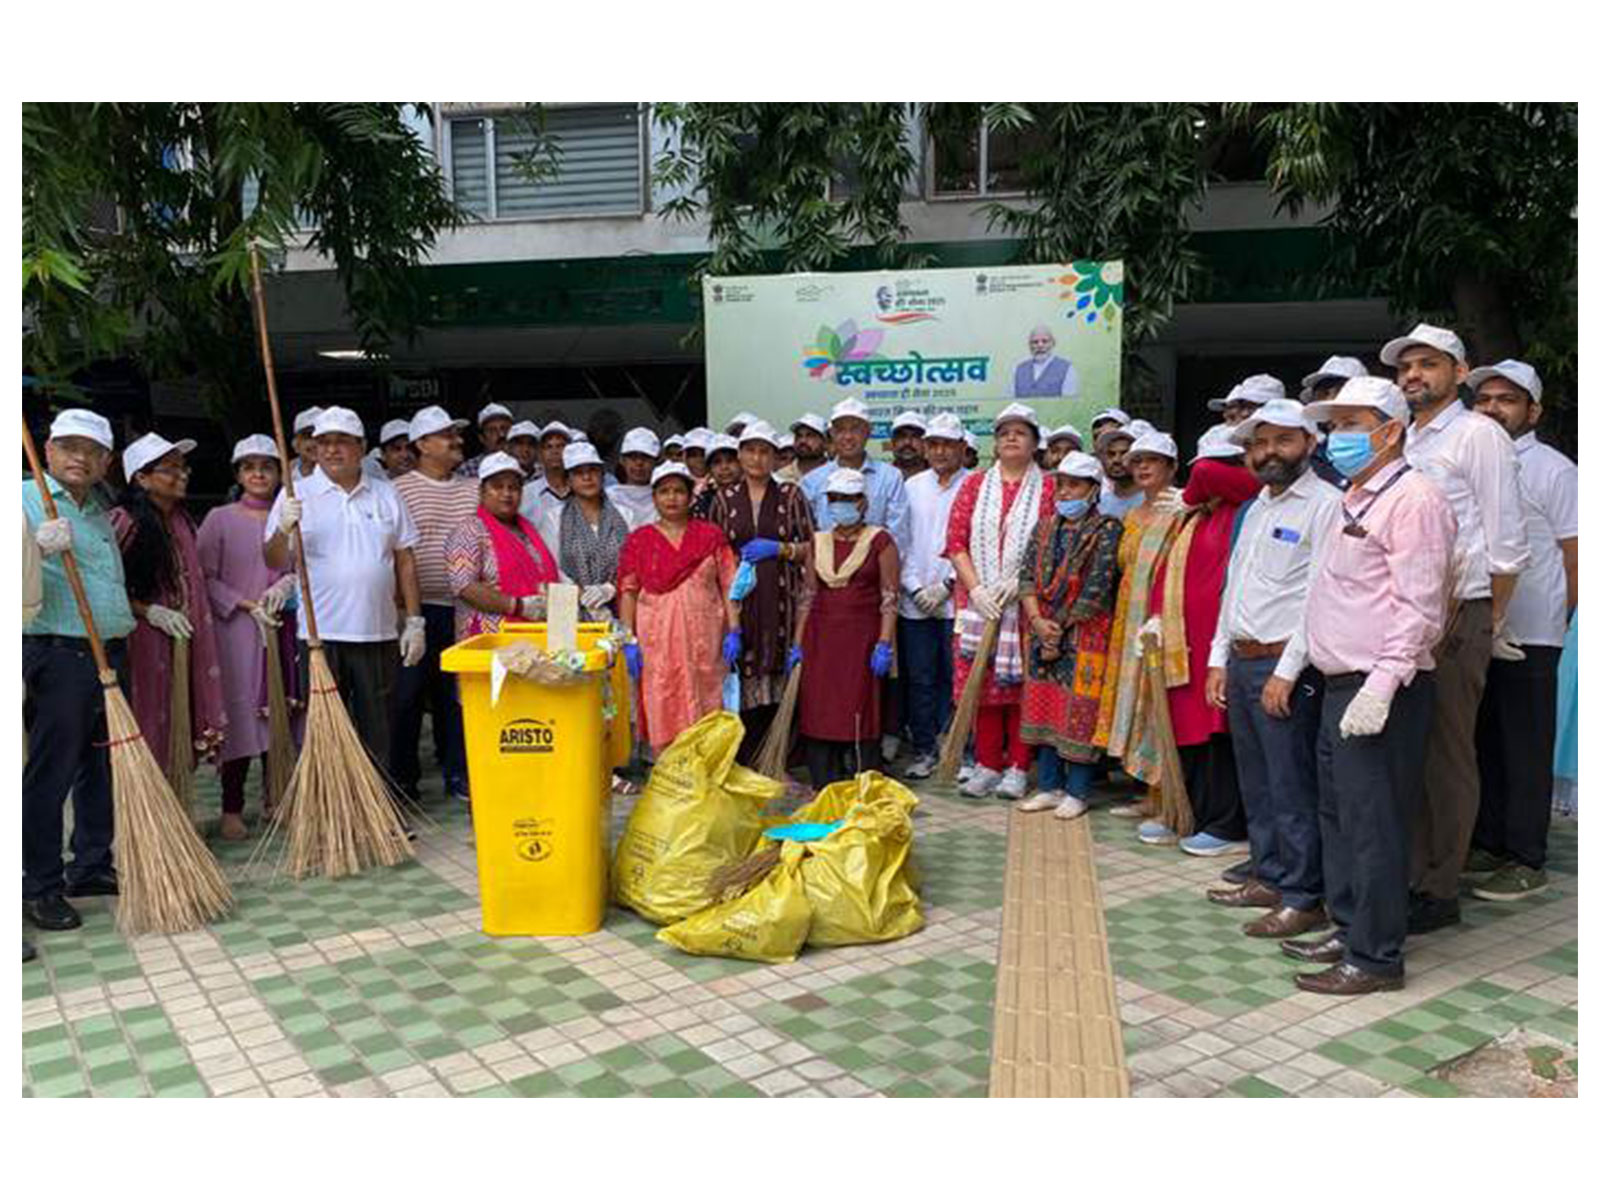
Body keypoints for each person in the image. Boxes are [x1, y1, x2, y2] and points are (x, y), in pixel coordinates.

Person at [1286, 377, 1455, 995]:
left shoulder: (1415, 499)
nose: (1338, 438)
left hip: (1381, 687)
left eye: (1353, 424)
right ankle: (1351, 924)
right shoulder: (1349, 498)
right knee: (1340, 816)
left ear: (1390, 430)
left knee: (1375, 823)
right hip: (1335, 684)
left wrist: (1382, 685)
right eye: (1333, 427)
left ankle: (1377, 957)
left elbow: (1420, 605)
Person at [1384, 323, 1529, 934]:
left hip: (1456, 613)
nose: (1414, 374)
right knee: (1405, 752)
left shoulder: (1478, 435)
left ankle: (1440, 889)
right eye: (1405, 366)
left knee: (1445, 754)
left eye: (1428, 364)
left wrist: (1484, 620)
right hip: (1399, 613)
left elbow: (1507, 543)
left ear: (1460, 372)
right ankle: (1410, 873)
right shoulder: (1400, 438)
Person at [1204, 400, 1344, 936]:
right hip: (1242, 660)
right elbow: (1233, 589)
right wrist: (1219, 658)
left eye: (1282, 441)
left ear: (1309, 444)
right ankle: (1268, 873)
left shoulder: (1327, 505)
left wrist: (1288, 669)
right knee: (1257, 782)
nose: (1268, 453)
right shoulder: (1255, 508)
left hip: (1288, 665)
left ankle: (1304, 894)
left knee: (1291, 785)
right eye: (1259, 444)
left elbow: (1319, 597)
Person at [1465, 360, 1576, 901]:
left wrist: (1558, 620)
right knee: (1482, 739)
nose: (1492, 408)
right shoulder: (1469, 459)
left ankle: (1526, 856)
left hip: (1531, 631)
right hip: (1476, 627)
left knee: (1525, 745)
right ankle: (1488, 841)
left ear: (1533, 411)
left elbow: (1576, 555)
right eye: (1484, 399)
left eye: (1507, 400)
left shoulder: (1554, 470)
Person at [22, 410, 137, 933]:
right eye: (67, 446)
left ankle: (90, 865)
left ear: (105, 462)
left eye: (90, 450)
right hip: (59, 653)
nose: (78, 457)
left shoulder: (96, 510)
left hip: (108, 652)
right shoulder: (23, 500)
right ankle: (38, 885)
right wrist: (29, 546)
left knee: (101, 766)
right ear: (47, 450)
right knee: (52, 773)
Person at [265, 407, 424, 778]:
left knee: (379, 728)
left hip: (378, 631)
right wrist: (283, 528)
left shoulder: (386, 494)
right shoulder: (295, 494)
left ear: (362, 448)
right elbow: (273, 559)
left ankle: (379, 811)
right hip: (320, 635)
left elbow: (405, 561)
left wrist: (415, 621)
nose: (332, 450)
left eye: (342, 442)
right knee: (325, 730)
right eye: (324, 443)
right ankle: (331, 810)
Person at [1135, 429, 1261, 852]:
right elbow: (1167, 570)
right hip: (1181, 647)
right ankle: (1184, 814)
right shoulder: (1195, 515)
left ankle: (1227, 825)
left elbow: (1208, 471)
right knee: (1185, 735)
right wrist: (1154, 617)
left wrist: (1192, 490)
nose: (1204, 477)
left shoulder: (1244, 504)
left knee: (1217, 739)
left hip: (1217, 649)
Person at [945, 403, 1052, 799]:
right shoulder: (974, 485)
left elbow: (1051, 545)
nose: (1011, 437)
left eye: (1020, 432)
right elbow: (955, 543)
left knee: (1021, 687)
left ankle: (1019, 767)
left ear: (1034, 444)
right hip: (980, 603)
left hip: (1027, 605)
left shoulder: (1050, 488)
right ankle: (987, 763)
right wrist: (976, 589)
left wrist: (1019, 584)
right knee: (983, 685)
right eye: (1004, 432)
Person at [196, 435, 301, 839]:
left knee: (280, 711)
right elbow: (204, 578)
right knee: (241, 719)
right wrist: (244, 605)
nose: (258, 473)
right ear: (238, 474)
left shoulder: (289, 516)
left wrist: (286, 586)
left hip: (280, 627)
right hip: (236, 633)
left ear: (278, 473)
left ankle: (275, 798)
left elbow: (302, 567)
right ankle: (231, 807)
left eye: (267, 466)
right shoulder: (220, 518)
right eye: (249, 466)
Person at [109, 432, 228, 783]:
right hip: (144, 642)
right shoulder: (122, 522)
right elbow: (106, 589)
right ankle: (145, 809)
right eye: (170, 469)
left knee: (180, 718)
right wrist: (150, 611)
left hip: (184, 640)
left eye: (183, 467)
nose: (182, 475)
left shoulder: (181, 520)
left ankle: (176, 807)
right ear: (141, 478)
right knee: (149, 717)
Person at [1015, 452, 1123, 819]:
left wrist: (1057, 628)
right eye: (1060, 485)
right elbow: (1026, 575)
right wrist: (1038, 621)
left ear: (1093, 490)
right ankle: (1048, 785)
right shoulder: (1043, 527)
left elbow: (1098, 585)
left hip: (1084, 632)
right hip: (1041, 628)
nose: (1064, 493)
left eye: (1074, 485)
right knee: (1045, 706)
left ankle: (1077, 790)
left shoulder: (1107, 528)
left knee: (1078, 711)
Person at [707, 419, 816, 762]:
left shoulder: (791, 494)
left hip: (783, 600)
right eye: (750, 451)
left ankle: (778, 761)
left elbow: (812, 548)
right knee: (743, 681)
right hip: (739, 604)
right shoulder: (723, 499)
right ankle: (747, 762)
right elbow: (713, 555)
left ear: (775, 457)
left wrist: (780, 549)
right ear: (739, 455)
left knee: (781, 682)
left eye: (764, 452)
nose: (756, 458)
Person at [618, 463, 740, 754]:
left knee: (707, 697)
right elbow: (628, 591)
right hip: (658, 641)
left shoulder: (710, 536)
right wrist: (628, 639)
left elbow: (729, 585)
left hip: (706, 639)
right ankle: (669, 777)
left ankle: (707, 774)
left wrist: (735, 629)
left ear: (690, 497)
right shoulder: (640, 540)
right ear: (655, 497)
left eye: (678, 491)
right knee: (664, 697)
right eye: (664, 492)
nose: (671, 498)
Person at [391, 406, 479, 805]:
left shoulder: (472, 488)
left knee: (456, 696)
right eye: (446, 435)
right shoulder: (399, 489)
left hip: (462, 607)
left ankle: (458, 774)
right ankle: (404, 779)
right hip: (414, 609)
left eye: (457, 434)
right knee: (407, 695)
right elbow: (393, 551)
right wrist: (403, 611)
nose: (457, 441)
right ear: (423, 445)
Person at [793, 467, 900, 786]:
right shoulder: (818, 541)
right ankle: (823, 780)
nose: (841, 505)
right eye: (835, 499)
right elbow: (808, 594)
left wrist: (884, 643)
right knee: (819, 706)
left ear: (863, 503)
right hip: (820, 637)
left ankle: (862, 779)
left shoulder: (880, 540)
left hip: (862, 637)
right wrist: (797, 643)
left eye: (848, 499)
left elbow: (890, 595)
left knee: (859, 707)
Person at [1094, 430, 1182, 814]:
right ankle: (1143, 787)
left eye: (1153, 461)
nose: (1142, 467)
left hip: (1162, 623)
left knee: (1157, 702)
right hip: (1127, 621)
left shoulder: (1182, 511)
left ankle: (1164, 795)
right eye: (1137, 461)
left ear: (1171, 467)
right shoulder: (1130, 515)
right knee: (1132, 702)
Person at [898, 414, 970, 779]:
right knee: (921, 679)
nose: (940, 451)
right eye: (934, 444)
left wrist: (946, 585)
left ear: (962, 448)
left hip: (957, 600)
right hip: (915, 602)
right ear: (926, 449)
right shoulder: (911, 486)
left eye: (948, 444)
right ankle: (926, 749)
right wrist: (913, 586)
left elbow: (976, 544)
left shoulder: (974, 486)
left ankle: (957, 750)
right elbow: (902, 542)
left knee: (957, 677)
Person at [445, 453, 560, 640]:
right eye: (497, 487)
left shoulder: (528, 530)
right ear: (482, 491)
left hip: (535, 635)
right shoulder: (469, 531)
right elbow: (464, 586)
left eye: (513, 487)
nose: (506, 493)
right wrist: (518, 606)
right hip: (489, 638)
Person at [801, 397, 911, 549]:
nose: (848, 437)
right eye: (841, 430)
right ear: (832, 433)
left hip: (877, 569)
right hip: (825, 568)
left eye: (855, 429)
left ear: (868, 432)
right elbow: (808, 537)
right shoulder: (812, 481)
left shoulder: (890, 477)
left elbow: (898, 536)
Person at [542, 442, 633, 620]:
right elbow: (551, 568)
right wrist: (583, 595)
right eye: (578, 473)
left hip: (621, 607)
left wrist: (611, 588)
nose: (587, 477)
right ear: (568, 480)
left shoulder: (625, 515)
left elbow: (635, 563)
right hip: (569, 612)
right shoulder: (554, 518)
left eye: (592, 470)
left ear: (602, 474)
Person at [1300, 356, 1368, 489]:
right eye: (1322, 393)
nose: (1331, 400)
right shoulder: (1307, 454)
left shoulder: (1386, 444)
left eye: (1340, 391)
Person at [521, 420, 574, 527]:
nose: (555, 451)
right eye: (548, 447)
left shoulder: (583, 490)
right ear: (540, 454)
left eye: (560, 446)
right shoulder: (526, 494)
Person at [609, 427, 661, 529]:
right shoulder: (608, 497)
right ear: (622, 460)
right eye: (633, 457)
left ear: (656, 462)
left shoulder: (664, 498)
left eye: (645, 457)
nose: (639, 463)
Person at [1012, 325, 1079, 398]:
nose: (1040, 345)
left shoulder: (1067, 368)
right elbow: (1009, 400)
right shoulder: (1019, 369)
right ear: (1030, 346)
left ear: (1053, 343)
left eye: (1045, 341)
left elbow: (1069, 403)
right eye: (1035, 342)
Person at [691, 433, 743, 519]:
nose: (724, 467)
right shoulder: (703, 501)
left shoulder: (754, 495)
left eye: (730, 460)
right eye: (717, 462)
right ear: (709, 469)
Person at [1095, 426, 1142, 521]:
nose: (1116, 460)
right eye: (1111, 454)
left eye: (1124, 453)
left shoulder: (1153, 500)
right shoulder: (1100, 502)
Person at [461, 402, 514, 478]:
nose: (501, 435)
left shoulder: (525, 464)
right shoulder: (468, 469)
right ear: (481, 438)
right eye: (492, 430)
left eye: (505, 429)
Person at [786, 414, 828, 481]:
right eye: (799, 436)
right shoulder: (780, 477)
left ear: (825, 442)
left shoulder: (836, 474)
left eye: (810, 436)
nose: (803, 440)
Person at [889, 411, 928, 479]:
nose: (907, 442)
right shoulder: (882, 477)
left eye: (915, 436)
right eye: (902, 436)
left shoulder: (939, 475)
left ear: (926, 443)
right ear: (893, 443)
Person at [290, 408, 323, 481]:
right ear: (296, 444)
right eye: (309, 437)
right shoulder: (286, 472)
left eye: (321, 438)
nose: (315, 443)